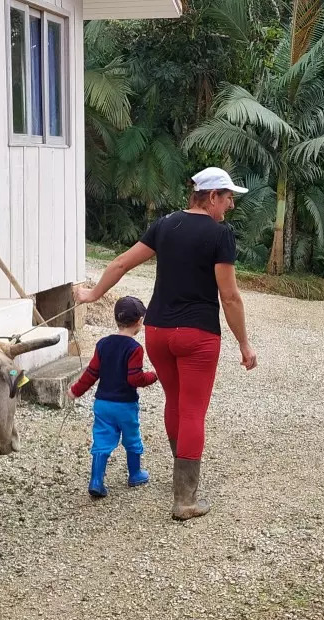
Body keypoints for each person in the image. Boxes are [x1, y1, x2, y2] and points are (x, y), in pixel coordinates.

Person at [74, 166, 258, 521]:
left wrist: (92, 293)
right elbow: (230, 297)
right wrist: (244, 344)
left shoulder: (165, 225)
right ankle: (184, 499)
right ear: (211, 197)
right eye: (228, 197)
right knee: (192, 410)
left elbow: (123, 262)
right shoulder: (220, 235)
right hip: (198, 335)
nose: (231, 206)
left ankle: (180, 473)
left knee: (175, 401)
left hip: (158, 331)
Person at [69, 296, 159, 499]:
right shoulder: (135, 348)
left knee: (101, 440)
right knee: (132, 438)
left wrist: (76, 390)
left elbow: (91, 373)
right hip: (125, 406)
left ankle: (96, 481)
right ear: (139, 322)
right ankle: (135, 474)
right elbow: (135, 378)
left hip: (102, 404)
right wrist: (154, 376)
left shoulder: (102, 344)